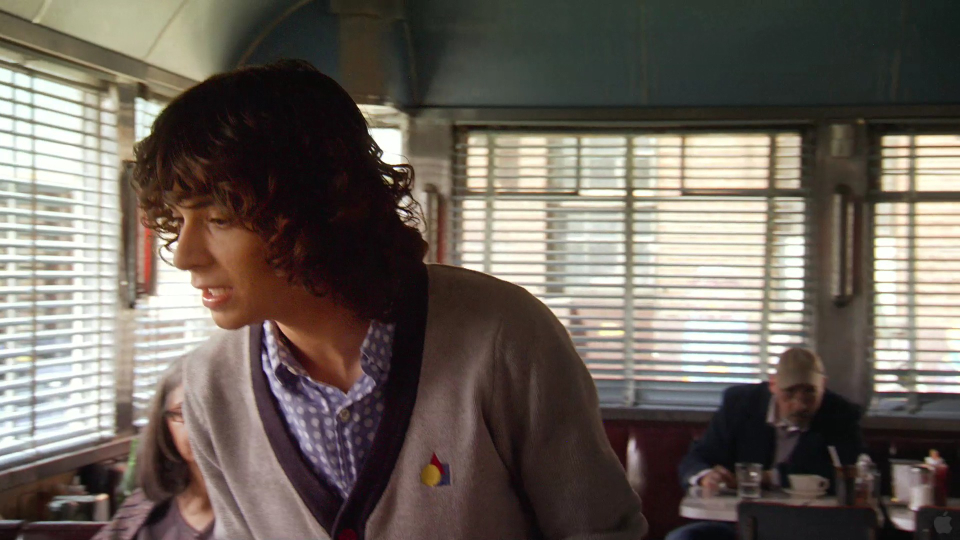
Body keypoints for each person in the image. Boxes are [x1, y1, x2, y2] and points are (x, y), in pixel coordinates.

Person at [130, 59, 647, 540]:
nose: (186, 256)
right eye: (178, 219)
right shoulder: (210, 386)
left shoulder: (501, 337)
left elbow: (600, 531)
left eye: (219, 218)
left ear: (317, 204)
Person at [665, 347, 863, 540]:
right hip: (736, 522)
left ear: (823, 385)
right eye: (789, 393)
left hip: (808, 527)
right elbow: (697, 458)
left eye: (809, 392)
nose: (800, 404)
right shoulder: (740, 404)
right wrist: (706, 476)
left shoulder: (840, 414)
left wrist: (767, 477)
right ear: (773, 384)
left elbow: (846, 474)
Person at [94, 359, 214, 540]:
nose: (198, 425)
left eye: (214, 411)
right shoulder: (144, 509)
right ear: (165, 425)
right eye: (183, 412)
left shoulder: (256, 515)